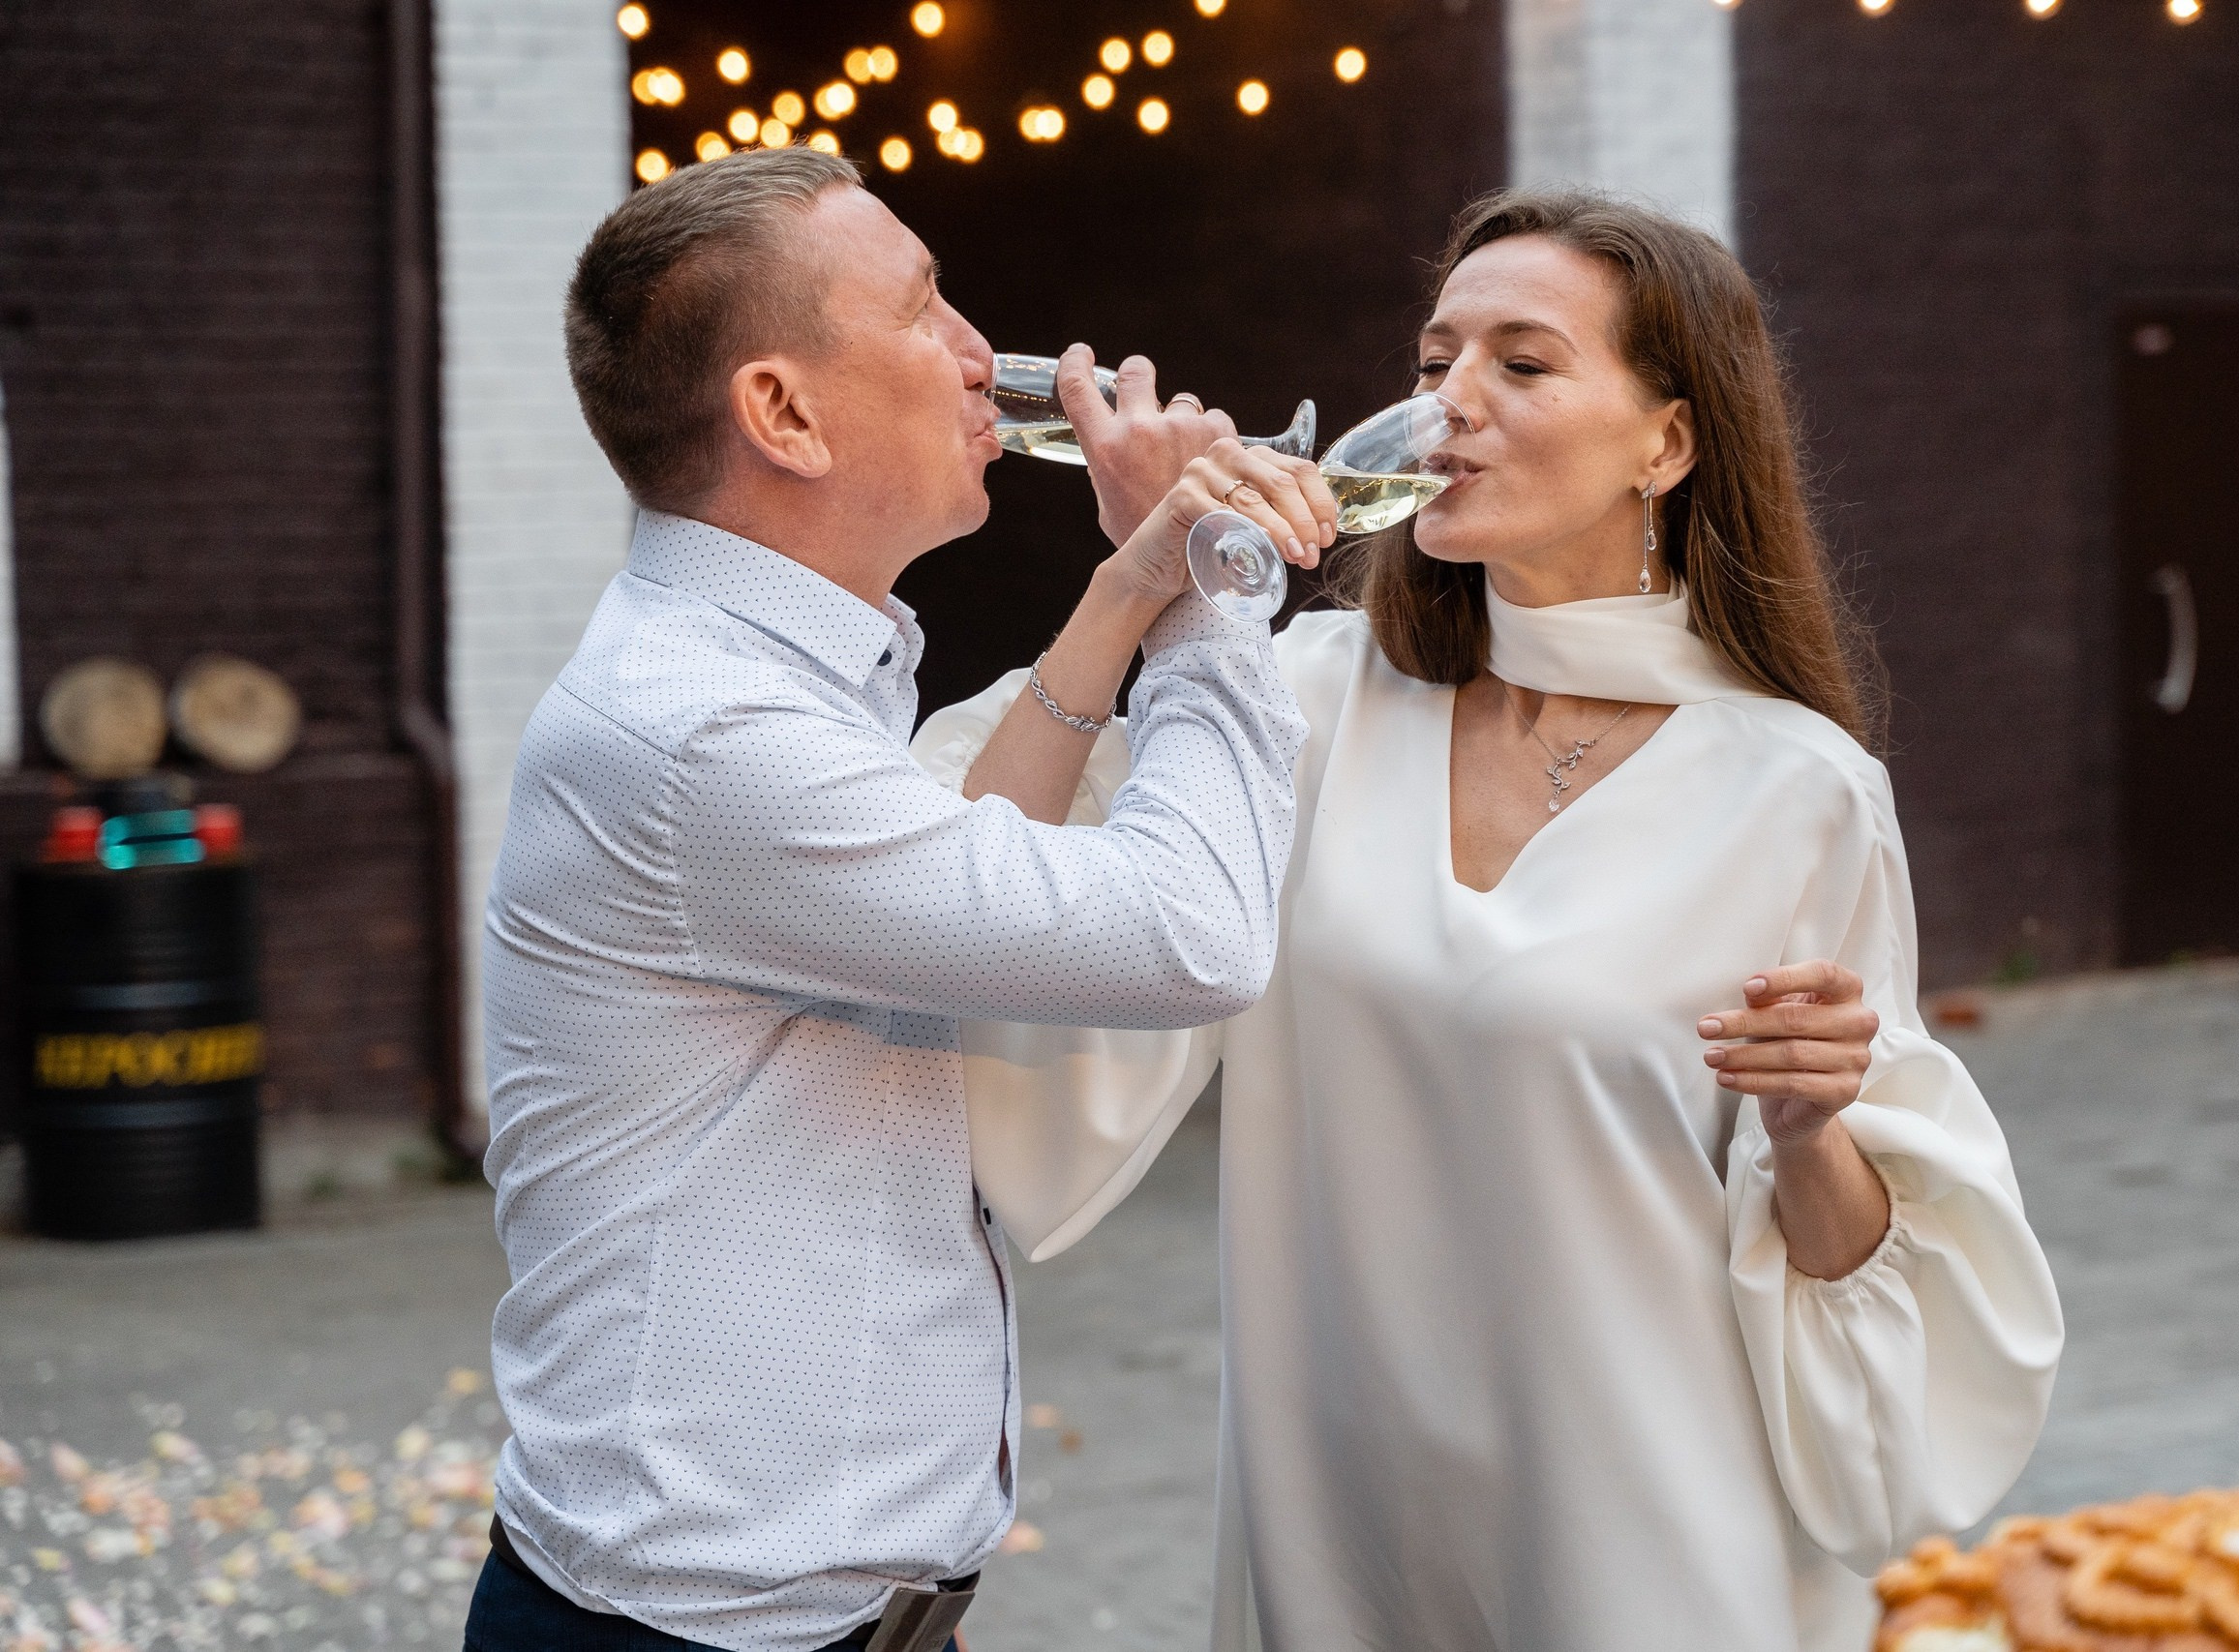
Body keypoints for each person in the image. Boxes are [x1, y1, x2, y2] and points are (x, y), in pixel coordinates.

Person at [917, 189, 2066, 1651]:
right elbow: (987, 904)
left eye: (1521, 365)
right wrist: (1139, 584)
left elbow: (1863, 1275)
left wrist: (1811, 1127)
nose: (1450, 400)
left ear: (1669, 438)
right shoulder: (1305, 704)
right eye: (1433, 359)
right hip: (1347, 1548)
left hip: (1654, 1559)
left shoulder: (1803, 790)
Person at [468, 147, 1340, 1652]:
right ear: (782, 414)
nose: (985, 360)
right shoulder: (706, 735)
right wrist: (1217, 589)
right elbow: (1191, 935)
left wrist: (1128, 588)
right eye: (927, 308)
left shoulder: (761, 671)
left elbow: (950, 906)